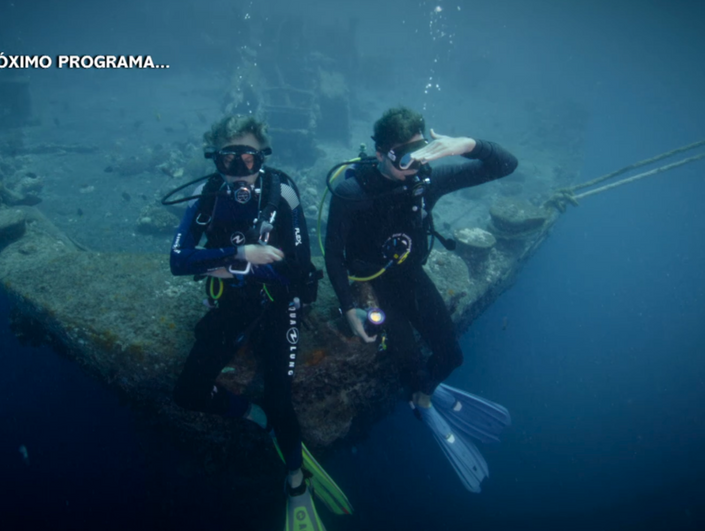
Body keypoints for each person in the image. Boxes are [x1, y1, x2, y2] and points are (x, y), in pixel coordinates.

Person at [323, 106, 516, 491]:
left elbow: (506, 166)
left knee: (452, 357)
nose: (413, 165)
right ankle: (418, 396)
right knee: (408, 359)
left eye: (421, 152)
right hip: (372, 282)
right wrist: (348, 308)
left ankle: (422, 394)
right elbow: (332, 253)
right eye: (402, 157)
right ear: (379, 153)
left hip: (409, 275)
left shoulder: (426, 181)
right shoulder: (352, 191)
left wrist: (466, 145)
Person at [168, 115, 343, 529]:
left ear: (261, 157)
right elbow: (178, 261)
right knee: (188, 392)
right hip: (233, 305)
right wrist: (240, 256)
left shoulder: (281, 192)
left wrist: (239, 267)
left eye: (247, 160)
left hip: (280, 302)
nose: (238, 171)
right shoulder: (208, 195)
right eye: (228, 161)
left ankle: (296, 483)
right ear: (216, 161)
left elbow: (299, 269)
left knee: (281, 397)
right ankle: (253, 415)